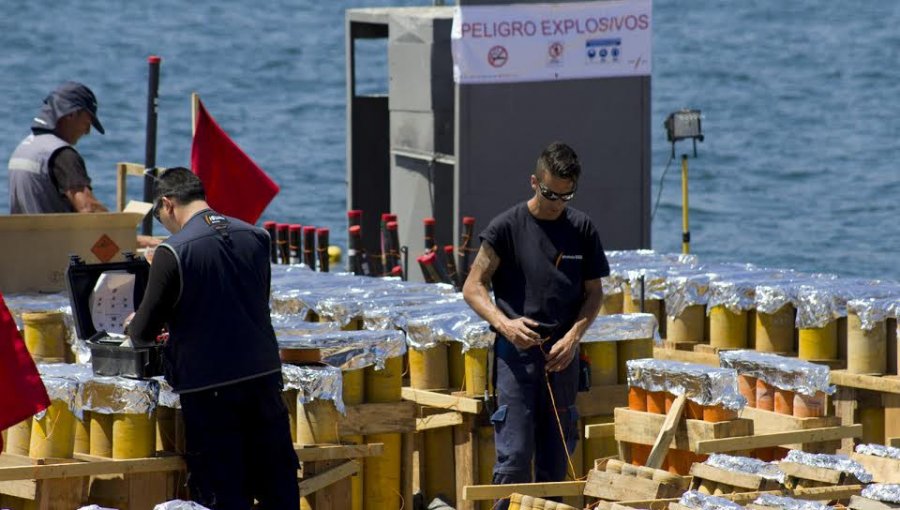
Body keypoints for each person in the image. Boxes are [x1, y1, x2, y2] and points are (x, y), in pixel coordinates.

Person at [126, 167, 299, 509]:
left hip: (209, 388)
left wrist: (137, 324)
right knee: (277, 488)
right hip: (263, 378)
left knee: (223, 494)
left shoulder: (172, 252)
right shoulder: (255, 236)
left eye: (161, 217)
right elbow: (249, 304)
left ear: (168, 203)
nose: (165, 226)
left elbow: (143, 333)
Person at [462, 142, 609, 507]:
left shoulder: (582, 229)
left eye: (565, 195)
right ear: (534, 181)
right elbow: (472, 287)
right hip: (516, 359)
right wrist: (505, 324)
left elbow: (594, 294)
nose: (556, 202)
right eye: (549, 193)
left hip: (562, 360)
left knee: (555, 464)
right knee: (513, 459)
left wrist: (574, 337)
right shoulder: (505, 228)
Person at [8, 81, 108, 214]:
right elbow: (88, 209)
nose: (87, 131)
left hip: (22, 235)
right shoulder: (62, 154)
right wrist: (122, 226)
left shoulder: (23, 149)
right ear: (71, 114)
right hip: (53, 235)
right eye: (87, 122)